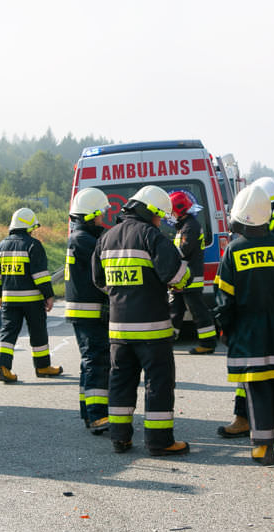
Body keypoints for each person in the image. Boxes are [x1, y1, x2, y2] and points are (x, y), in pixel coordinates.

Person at [91, 185, 191, 456]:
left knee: (120, 383)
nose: (161, 221)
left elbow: (99, 281)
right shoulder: (151, 236)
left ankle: (119, 438)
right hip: (152, 329)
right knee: (157, 384)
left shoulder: (106, 238)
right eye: (160, 216)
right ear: (150, 213)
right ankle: (160, 442)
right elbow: (179, 277)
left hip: (118, 331)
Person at [214, 184, 274, 465]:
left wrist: (225, 331)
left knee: (258, 391)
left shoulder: (234, 250)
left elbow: (224, 300)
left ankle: (263, 448)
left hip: (250, 333)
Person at [0, 207, 62, 382]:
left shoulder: (2, 245)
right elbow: (40, 275)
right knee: (38, 333)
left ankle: (4, 367)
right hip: (32, 301)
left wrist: (1, 294)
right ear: (29, 226)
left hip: (9, 300)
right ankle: (43, 366)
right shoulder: (33, 245)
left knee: (7, 333)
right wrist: (49, 295)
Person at [65, 188, 111, 433]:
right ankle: (97, 415)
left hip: (83, 311)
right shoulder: (85, 241)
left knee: (89, 362)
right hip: (89, 311)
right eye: (100, 214)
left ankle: (88, 412)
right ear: (90, 215)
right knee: (97, 361)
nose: (103, 218)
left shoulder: (79, 237)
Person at [167, 190, 217, 354]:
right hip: (183, 276)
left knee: (198, 310)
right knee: (175, 308)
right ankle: (167, 340)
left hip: (190, 277)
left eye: (172, 211)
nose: (171, 215)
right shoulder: (185, 226)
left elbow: (182, 251)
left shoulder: (190, 227)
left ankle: (208, 343)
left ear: (180, 210)